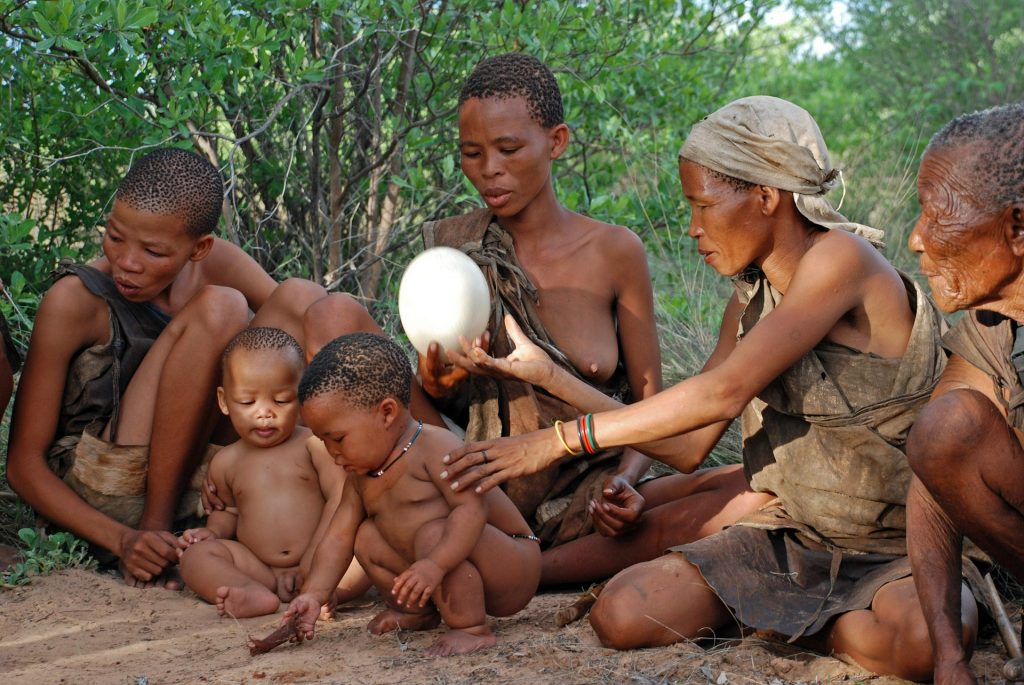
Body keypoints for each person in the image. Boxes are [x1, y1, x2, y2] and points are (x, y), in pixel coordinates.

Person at [441, 96, 973, 680]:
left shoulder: (842, 259)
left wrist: (559, 439)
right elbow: (689, 445)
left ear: (766, 197)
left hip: (895, 544)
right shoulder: (747, 303)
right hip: (795, 532)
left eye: (703, 205)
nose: (694, 228)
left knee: (924, 644)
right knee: (622, 614)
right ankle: (800, 613)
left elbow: (722, 392)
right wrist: (549, 376)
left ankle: (794, 618)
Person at [301, 53, 706, 585]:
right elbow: (433, 413)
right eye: (472, 153)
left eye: (509, 149)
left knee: (733, 492)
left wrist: (627, 480)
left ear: (556, 141)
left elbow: (650, 405)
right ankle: (482, 550)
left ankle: (517, 565)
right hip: (474, 480)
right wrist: (436, 382)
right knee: (331, 313)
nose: (488, 168)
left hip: (583, 486)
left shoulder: (614, 251)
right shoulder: (456, 251)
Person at [5, 148, 325, 587]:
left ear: (199, 248)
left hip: (202, 476)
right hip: (111, 490)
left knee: (303, 299)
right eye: (115, 237)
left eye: (153, 251)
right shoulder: (74, 301)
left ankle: (371, 483)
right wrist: (124, 540)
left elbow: (294, 326)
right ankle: (157, 536)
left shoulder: (216, 262)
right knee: (222, 306)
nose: (127, 262)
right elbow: (23, 465)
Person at [284, 332, 541, 657]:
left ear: (387, 413)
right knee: (365, 537)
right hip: (444, 561)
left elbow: (472, 511)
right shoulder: (360, 476)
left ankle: (471, 628)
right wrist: (314, 593)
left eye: (338, 439)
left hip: (511, 563)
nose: (332, 452)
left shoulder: (437, 447)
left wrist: (435, 564)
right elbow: (338, 537)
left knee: (434, 533)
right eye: (323, 442)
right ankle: (418, 611)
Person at [904, 103, 1024, 685]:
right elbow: (933, 475)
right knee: (947, 426)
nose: (916, 238)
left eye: (937, 214)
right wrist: (948, 659)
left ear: (1017, 227)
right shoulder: (994, 324)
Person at [177, 327, 342, 618]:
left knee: (365, 542)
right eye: (247, 402)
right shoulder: (226, 461)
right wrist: (212, 532)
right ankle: (249, 591)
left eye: (281, 400)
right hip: (260, 569)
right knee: (195, 557)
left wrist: (315, 560)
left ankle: (325, 593)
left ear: (302, 396)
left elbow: (340, 499)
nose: (264, 413)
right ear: (224, 401)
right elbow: (228, 512)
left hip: (322, 562)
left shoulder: (314, 446)